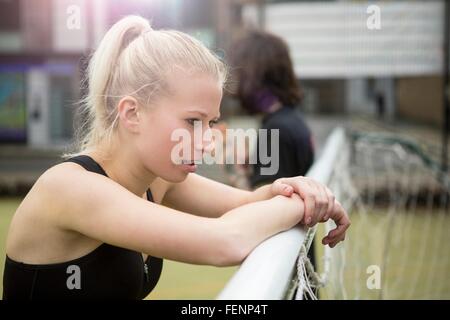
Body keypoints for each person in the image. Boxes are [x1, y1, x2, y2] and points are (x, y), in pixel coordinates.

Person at [2, 16, 350, 300]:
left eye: (210, 123)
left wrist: (301, 188)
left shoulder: (159, 178)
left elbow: (247, 204)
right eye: (191, 122)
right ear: (132, 113)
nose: (206, 141)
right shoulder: (70, 188)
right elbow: (224, 241)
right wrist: (304, 205)